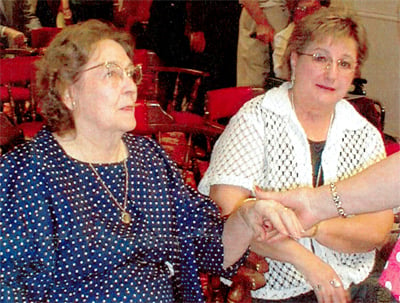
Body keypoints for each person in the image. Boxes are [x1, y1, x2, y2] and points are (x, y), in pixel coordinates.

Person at [0, 20, 304, 302]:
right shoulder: (28, 175)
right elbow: (11, 289)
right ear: (68, 92)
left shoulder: (150, 159)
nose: (131, 86)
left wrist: (248, 216)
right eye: (111, 72)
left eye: (131, 73)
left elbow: (211, 246)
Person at [199, 6, 394, 303]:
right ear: (293, 58)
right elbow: (226, 216)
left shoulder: (363, 133)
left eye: (344, 63)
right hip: (273, 284)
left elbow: (377, 230)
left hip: (355, 280)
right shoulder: (256, 120)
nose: (332, 73)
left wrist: (313, 226)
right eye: (320, 58)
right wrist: (312, 264)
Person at [255, 151, 400, 301]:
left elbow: (377, 231)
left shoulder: (365, 135)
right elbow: (242, 222)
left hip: (360, 279)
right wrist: (314, 204)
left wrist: (316, 215)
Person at [236, 0, 289, 87]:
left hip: (282, 11)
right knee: (255, 79)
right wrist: (261, 22)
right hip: (262, 12)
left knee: (286, 70)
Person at [273, 0, 330, 80]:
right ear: (294, 12)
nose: (309, 14)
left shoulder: (332, 33)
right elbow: (280, 73)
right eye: (302, 9)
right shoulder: (283, 37)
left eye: (313, 8)